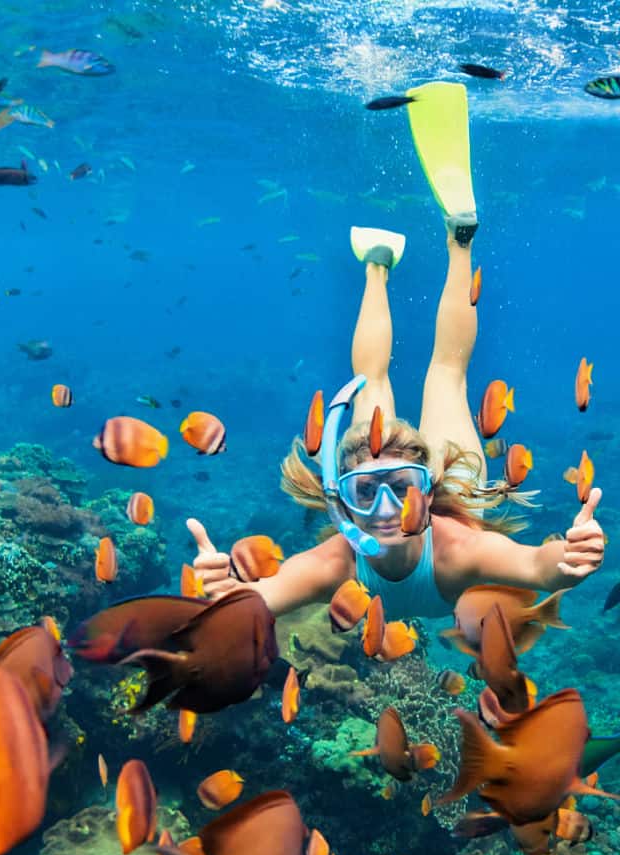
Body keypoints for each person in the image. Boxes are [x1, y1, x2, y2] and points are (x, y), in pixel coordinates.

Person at [187, 82, 604, 620]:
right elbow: (259, 600)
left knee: (387, 379)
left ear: (427, 493)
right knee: (445, 375)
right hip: (464, 481)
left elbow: (536, 567)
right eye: (367, 493)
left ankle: (392, 258)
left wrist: (565, 562)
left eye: (401, 488)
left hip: (446, 492)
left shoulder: (456, 549)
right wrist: (226, 595)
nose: (386, 510)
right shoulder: (337, 560)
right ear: (345, 502)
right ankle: (441, 244)